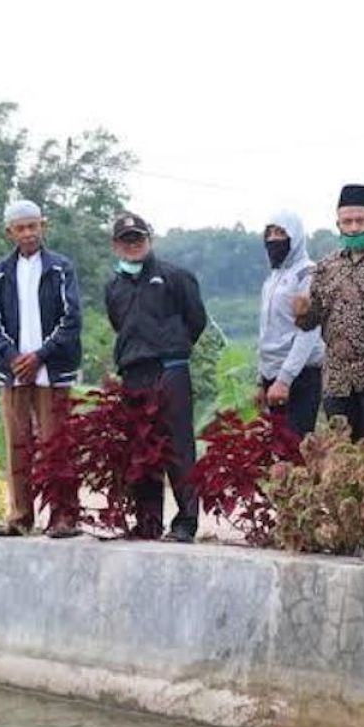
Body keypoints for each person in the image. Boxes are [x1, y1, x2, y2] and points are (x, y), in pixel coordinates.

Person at [104, 212, 207, 542]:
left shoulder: (175, 277)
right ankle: (148, 521)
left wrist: (172, 346)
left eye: (138, 238)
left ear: (150, 240)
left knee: (178, 447)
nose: (133, 245)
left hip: (170, 368)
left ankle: (186, 522)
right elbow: (119, 324)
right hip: (134, 372)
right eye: (126, 240)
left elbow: (196, 320)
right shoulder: (114, 286)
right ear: (116, 246)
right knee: (141, 448)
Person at [0, 199, 82, 538]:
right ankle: (20, 517)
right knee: (18, 445)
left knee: (57, 444)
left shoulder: (60, 268)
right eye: (20, 228)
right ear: (9, 231)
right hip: (14, 373)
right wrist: (13, 357)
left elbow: (71, 321)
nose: (27, 233)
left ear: (44, 226)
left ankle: (64, 517)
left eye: (33, 226)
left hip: (51, 372)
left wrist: (39, 356)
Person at [294, 185, 364, 441]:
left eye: (360, 221)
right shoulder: (326, 267)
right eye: (346, 222)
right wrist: (302, 313)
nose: (353, 228)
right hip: (337, 380)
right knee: (342, 456)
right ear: (337, 224)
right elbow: (311, 321)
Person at [257, 210, 324, 437]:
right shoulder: (272, 278)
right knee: (275, 449)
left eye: (281, 233)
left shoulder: (307, 274)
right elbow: (267, 330)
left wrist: (284, 380)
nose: (273, 239)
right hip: (271, 373)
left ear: (295, 236)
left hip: (299, 375)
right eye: (270, 233)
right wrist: (261, 379)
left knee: (297, 448)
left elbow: (309, 332)